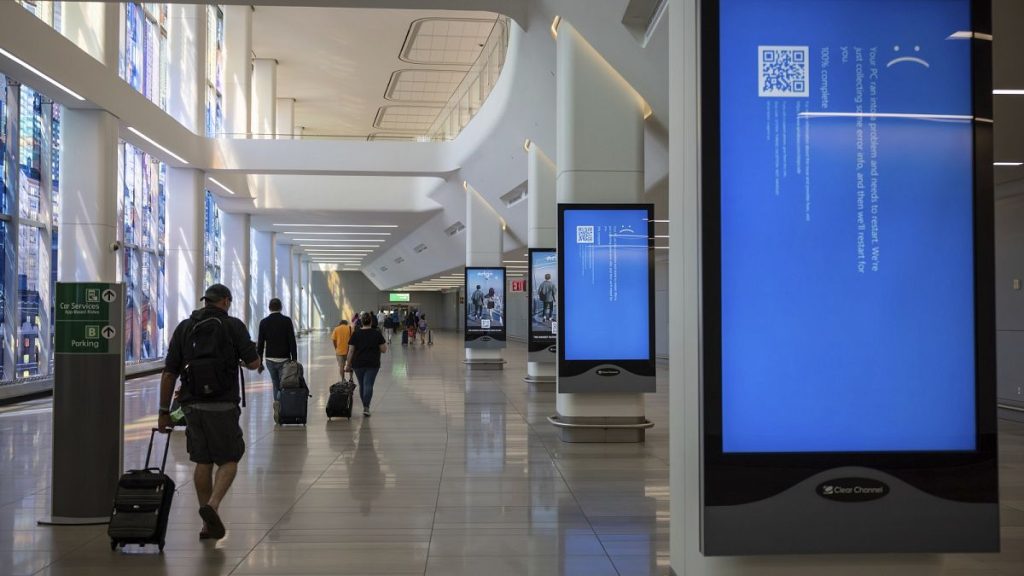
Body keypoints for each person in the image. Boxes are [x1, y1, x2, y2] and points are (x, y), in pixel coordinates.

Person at [157, 284, 260, 541]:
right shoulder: (233, 326)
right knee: (229, 459)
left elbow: (169, 372)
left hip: (191, 404)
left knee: (202, 461)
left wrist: (163, 411)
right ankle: (212, 506)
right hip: (223, 403)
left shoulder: (184, 327)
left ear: (206, 301)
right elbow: (254, 363)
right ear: (226, 301)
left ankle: (207, 526)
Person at [257, 298, 298, 419]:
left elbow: (260, 343)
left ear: (269, 308)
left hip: (270, 359)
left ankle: (277, 403)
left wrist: (259, 361)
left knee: (275, 384)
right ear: (281, 307)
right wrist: (294, 359)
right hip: (284, 358)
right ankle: (283, 407)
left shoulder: (263, 322)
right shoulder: (286, 321)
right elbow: (292, 340)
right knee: (284, 384)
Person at [345, 311, 388, 417]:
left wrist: (347, 364)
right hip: (372, 364)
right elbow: (384, 350)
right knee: (368, 384)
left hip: (358, 364)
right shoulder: (376, 333)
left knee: (362, 385)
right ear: (371, 321)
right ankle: (366, 407)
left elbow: (351, 351)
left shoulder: (356, 333)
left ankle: (365, 405)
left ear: (361, 321)